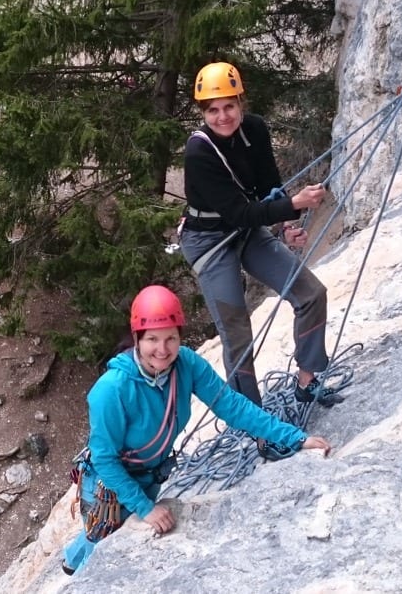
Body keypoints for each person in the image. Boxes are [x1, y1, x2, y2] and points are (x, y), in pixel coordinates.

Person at [61, 285, 332, 575]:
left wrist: (294, 438)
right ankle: (75, 568)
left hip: (149, 476)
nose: (163, 350)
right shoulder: (111, 389)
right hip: (109, 483)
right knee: (100, 555)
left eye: (170, 338)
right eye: (152, 339)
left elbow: (232, 406)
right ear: (137, 339)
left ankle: (68, 561)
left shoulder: (186, 364)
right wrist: (144, 508)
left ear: (180, 337)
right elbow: (105, 460)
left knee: (99, 534)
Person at [179, 61, 339, 409]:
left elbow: (268, 185)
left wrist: (286, 225)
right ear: (203, 113)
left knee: (311, 293)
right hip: (209, 241)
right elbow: (239, 212)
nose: (223, 117)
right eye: (213, 110)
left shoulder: (255, 129)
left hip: (246, 231)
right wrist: (293, 205)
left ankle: (308, 380)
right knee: (237, 333)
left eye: (229, 106)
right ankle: (254, 424)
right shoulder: (199, 152)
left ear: (241, 103)